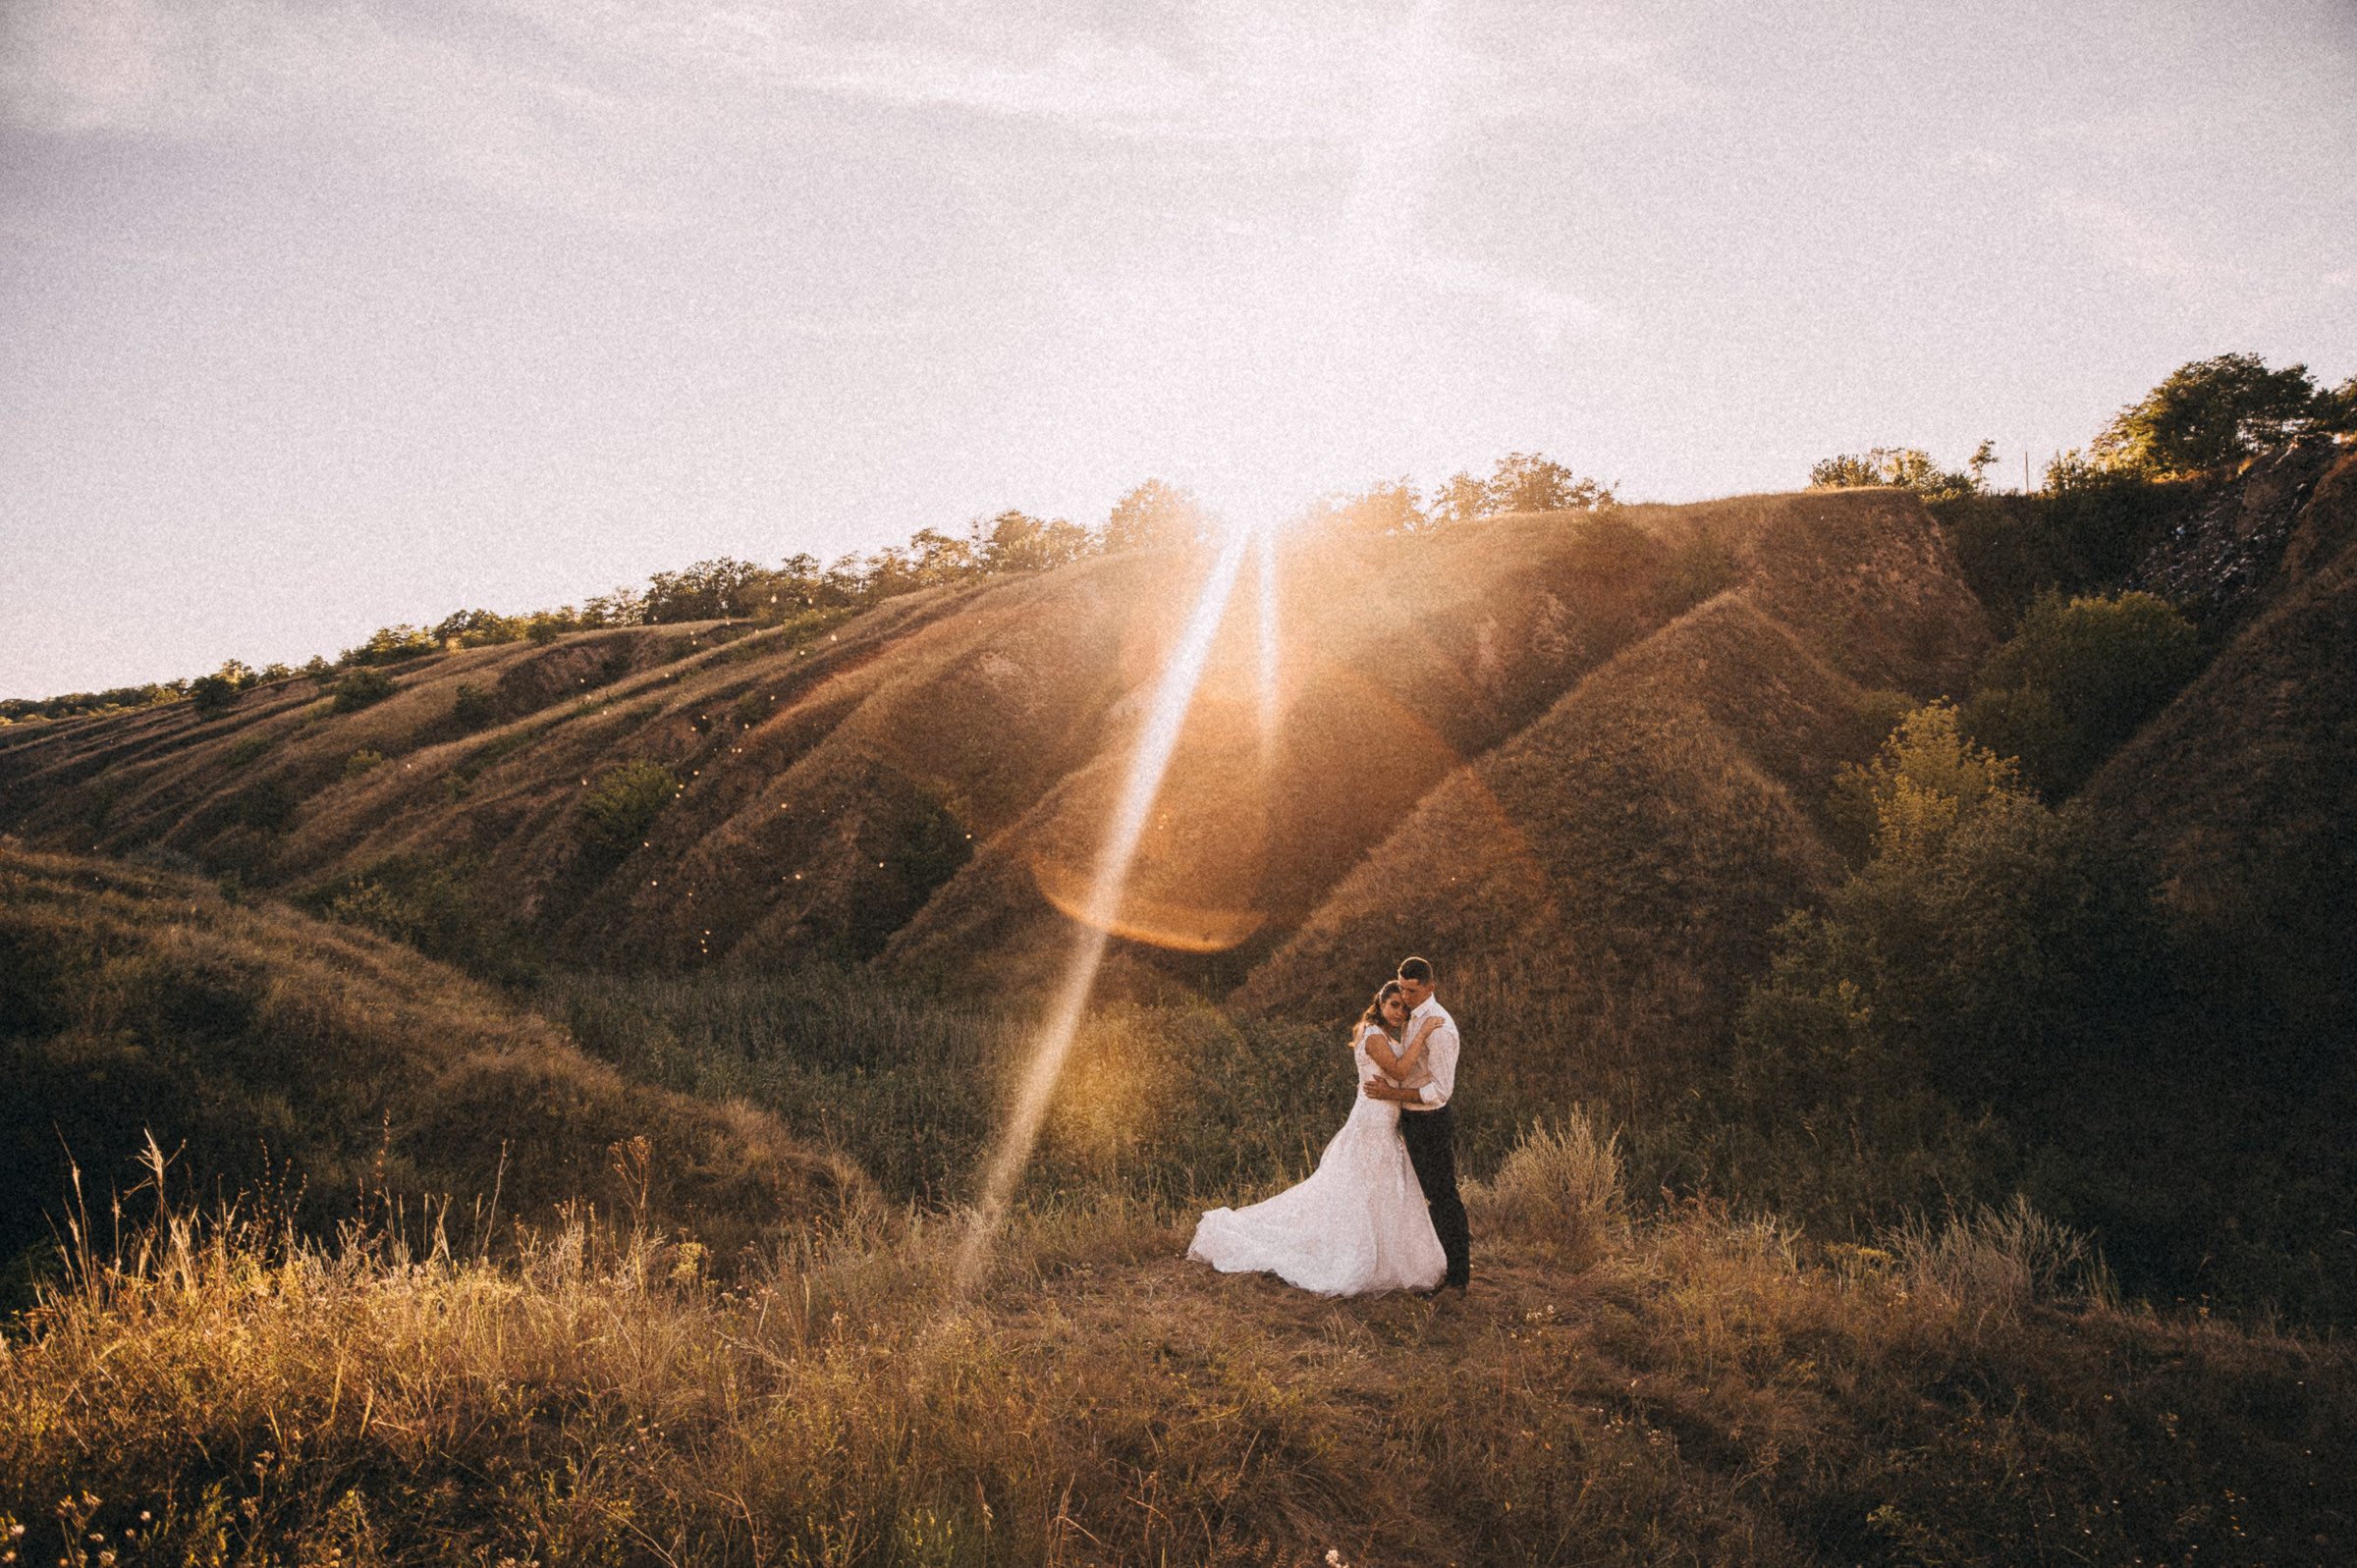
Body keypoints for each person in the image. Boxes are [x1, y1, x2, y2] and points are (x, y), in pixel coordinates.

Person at [1185, 980, 1448, 1295]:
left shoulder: (1380, 1033)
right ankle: (1356, 1254)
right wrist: (1422, 1032)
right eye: (1394, 1005)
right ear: (1380, 1004)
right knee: (1361, 1191)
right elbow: (1401, 1070)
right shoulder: (1373, 1034)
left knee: (1376, 1191)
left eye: (1405, 1008)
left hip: (1382, 1120)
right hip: (1371, 1123)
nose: (1401, 1012)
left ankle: (1384, 1256)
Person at [1360, 955, 1470, 1292]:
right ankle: (1432, 1264)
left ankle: (1457, 1277)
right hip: (1410, 1118)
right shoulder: (1409, 1017)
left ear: (1430, 988)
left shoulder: (1439, 1028)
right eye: (1402, 990)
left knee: (1443, 1195)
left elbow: (1440, 1092)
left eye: (1412, 991)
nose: (1405, 998)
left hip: (1431, 1121)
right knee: (1421, 1196)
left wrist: (1394, 1095)